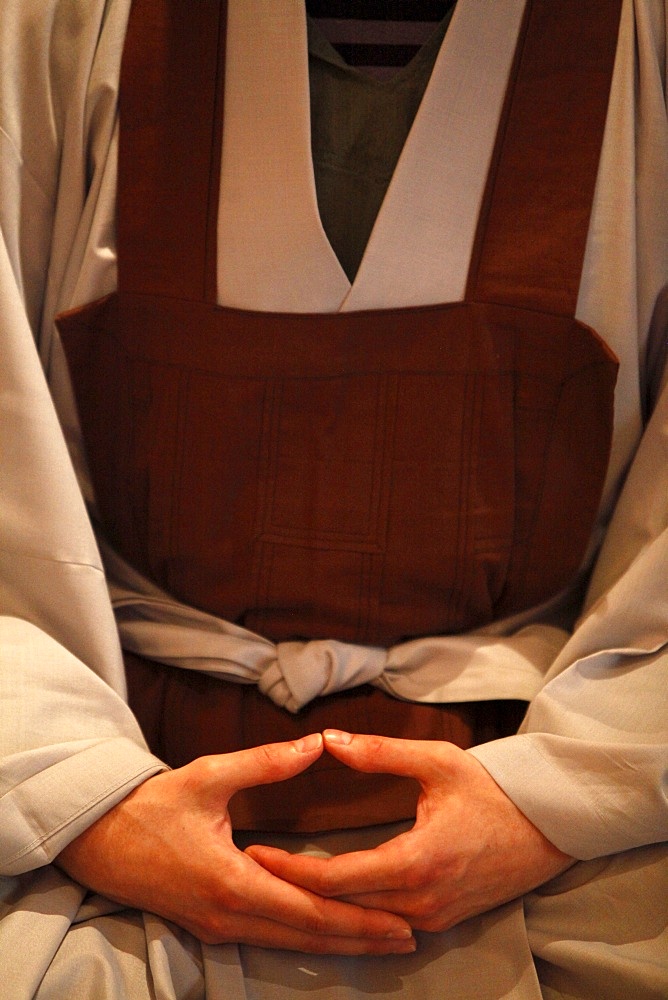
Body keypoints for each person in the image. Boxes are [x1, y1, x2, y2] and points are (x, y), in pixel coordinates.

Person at [0, 1, 666, 997]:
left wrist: (555, 797)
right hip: (108, 758)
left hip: (551, 788)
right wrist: (85, 801)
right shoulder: (54, 23)